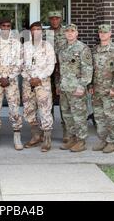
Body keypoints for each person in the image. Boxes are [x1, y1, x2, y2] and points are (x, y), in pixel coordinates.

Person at [0, 17, 23, 151]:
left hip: (11, 81)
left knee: (14, 109)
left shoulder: (16, 43)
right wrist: (0, 77)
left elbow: (20, 63)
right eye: (3, 26)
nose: (6, 28)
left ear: (11, 27)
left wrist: (9, 77)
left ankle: (17, 135)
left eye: (8, 26)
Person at [89, 24, 114, 154]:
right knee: (99, 116)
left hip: (110, 90)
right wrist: (91, 85)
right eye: (100, 32)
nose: (103, 34)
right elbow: (91, 70)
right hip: (97, 90)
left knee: (111, 117)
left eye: (105, 32)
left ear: (110, 34)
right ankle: (102, 140)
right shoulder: (94, 50)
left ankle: (111, 142)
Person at [57, 24, 93, 152]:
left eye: (72, 31)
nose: (70, 33)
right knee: (67, 115)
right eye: (67, 31)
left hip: (76, 88)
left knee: (79, 116)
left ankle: (81, 141)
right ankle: (72, 138)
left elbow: (88, 69)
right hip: (65, 87)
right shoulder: (62, 49)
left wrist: (82, 86)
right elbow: (60, 69)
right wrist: (59, 85)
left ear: (77, 33)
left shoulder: (83, 48)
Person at [22, 21, 56, 152]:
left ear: (42, 31)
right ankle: (35, 136)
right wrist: (29, 78)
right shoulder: (24, 46)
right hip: (28, 84)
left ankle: (47, 139)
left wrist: (38, 78)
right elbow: (21, 65)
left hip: (43, 84)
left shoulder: (47, 46)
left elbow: (50, 66)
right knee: (29, 110)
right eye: (33, 29)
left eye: (38, 29)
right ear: (30, 31)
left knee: (45, 110)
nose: (36, 31)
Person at [45, 10, 68, 143]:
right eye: (52, 19)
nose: (54, 21)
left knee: (64, 102)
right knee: (48, 102)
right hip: (48, 72)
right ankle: (48, 131)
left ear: (60, 19)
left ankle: (66, 131)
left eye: (57, 18)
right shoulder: (45, 33)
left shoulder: (67, 32)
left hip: (63, 72)